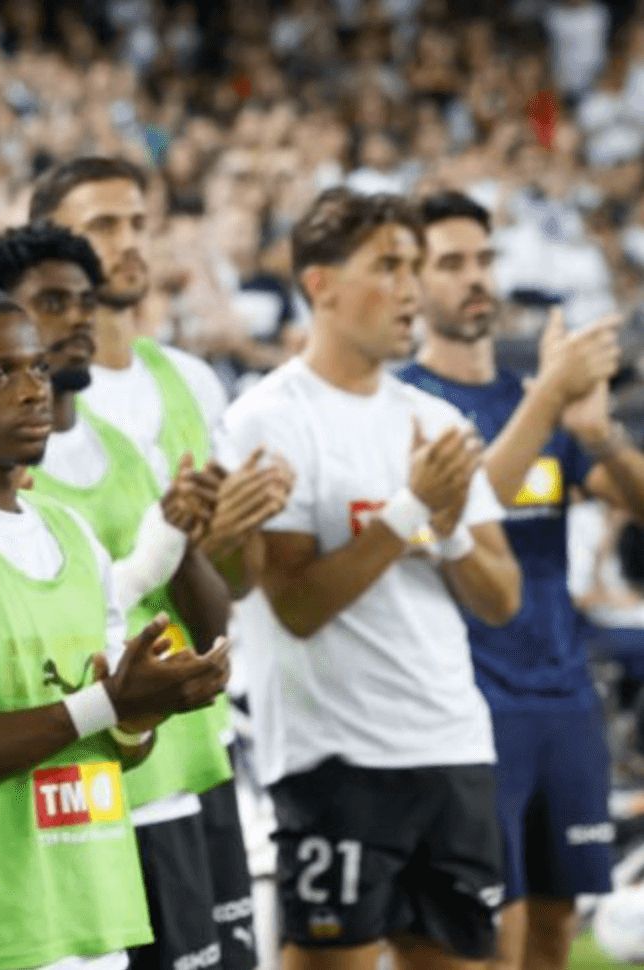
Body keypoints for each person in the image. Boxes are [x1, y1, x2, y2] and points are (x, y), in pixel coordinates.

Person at [0, 287, 233, 970]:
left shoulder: (71, 532)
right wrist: (106, 706)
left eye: (35, 368)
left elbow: (117, 748)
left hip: (88, 918)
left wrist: (142, 711)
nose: (33, 391)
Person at [223, 188, 522, 970]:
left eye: (416, 267)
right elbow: (296, 605)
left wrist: (449, 526)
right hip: (336, 760)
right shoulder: (269, 417)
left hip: (452, 744)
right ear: (320, 284)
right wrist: (411, 509)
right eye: (388, 266)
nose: (411, 289)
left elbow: (501, 598)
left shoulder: (436, 422)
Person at [0, 223, 264, 970]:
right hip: (80, 800)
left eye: (85, 301)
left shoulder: (127, 447)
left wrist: (185, 537)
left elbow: (213, 617)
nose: (79, 320)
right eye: (52, 302)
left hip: (180, 774)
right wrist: (147, 557)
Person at [30, 155, 273, 970]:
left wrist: (228, 537)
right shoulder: (42, 399)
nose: (127, 243)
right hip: (99, 765)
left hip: (196, 746)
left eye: (137, 222)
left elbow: (227, 589)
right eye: (102, 225)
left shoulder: (190, 381)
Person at [396, 189, 644, 970]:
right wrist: (547, 399)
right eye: (451, 264)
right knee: (487, 939)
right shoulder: (407, 402)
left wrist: (598, 435)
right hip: (467, 701)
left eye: (484, 260)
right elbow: (465, 508)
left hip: (564, 696)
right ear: (414, 281)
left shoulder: (527, 399)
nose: (476, 279)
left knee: (552, 930)